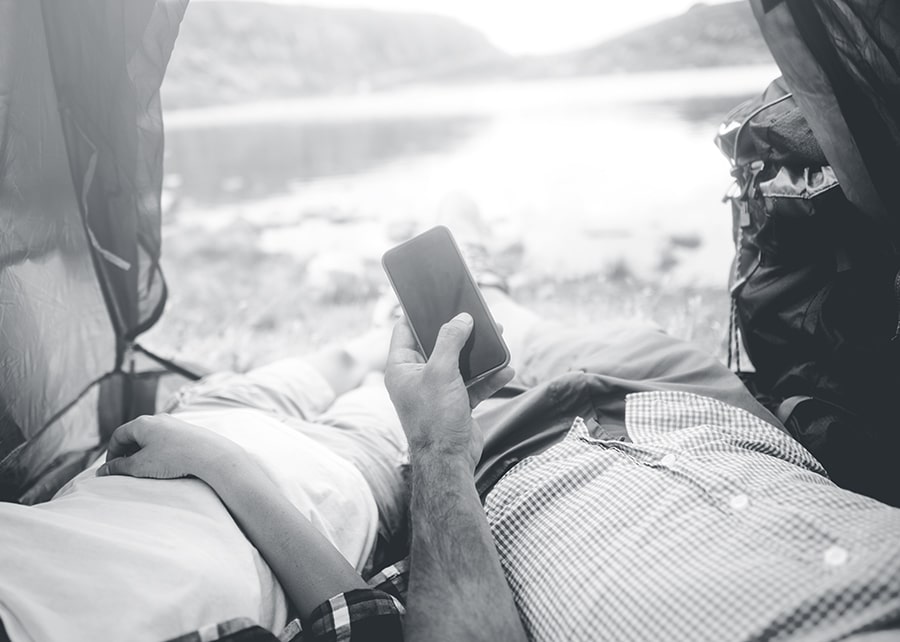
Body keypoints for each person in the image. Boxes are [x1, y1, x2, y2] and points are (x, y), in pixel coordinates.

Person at [93, 284, 900, 642]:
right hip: (695, 405)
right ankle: (488, 288)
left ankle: (452, 296)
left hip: (509, 458)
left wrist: (439, 444)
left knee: (469, 357)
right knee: (518, 325)